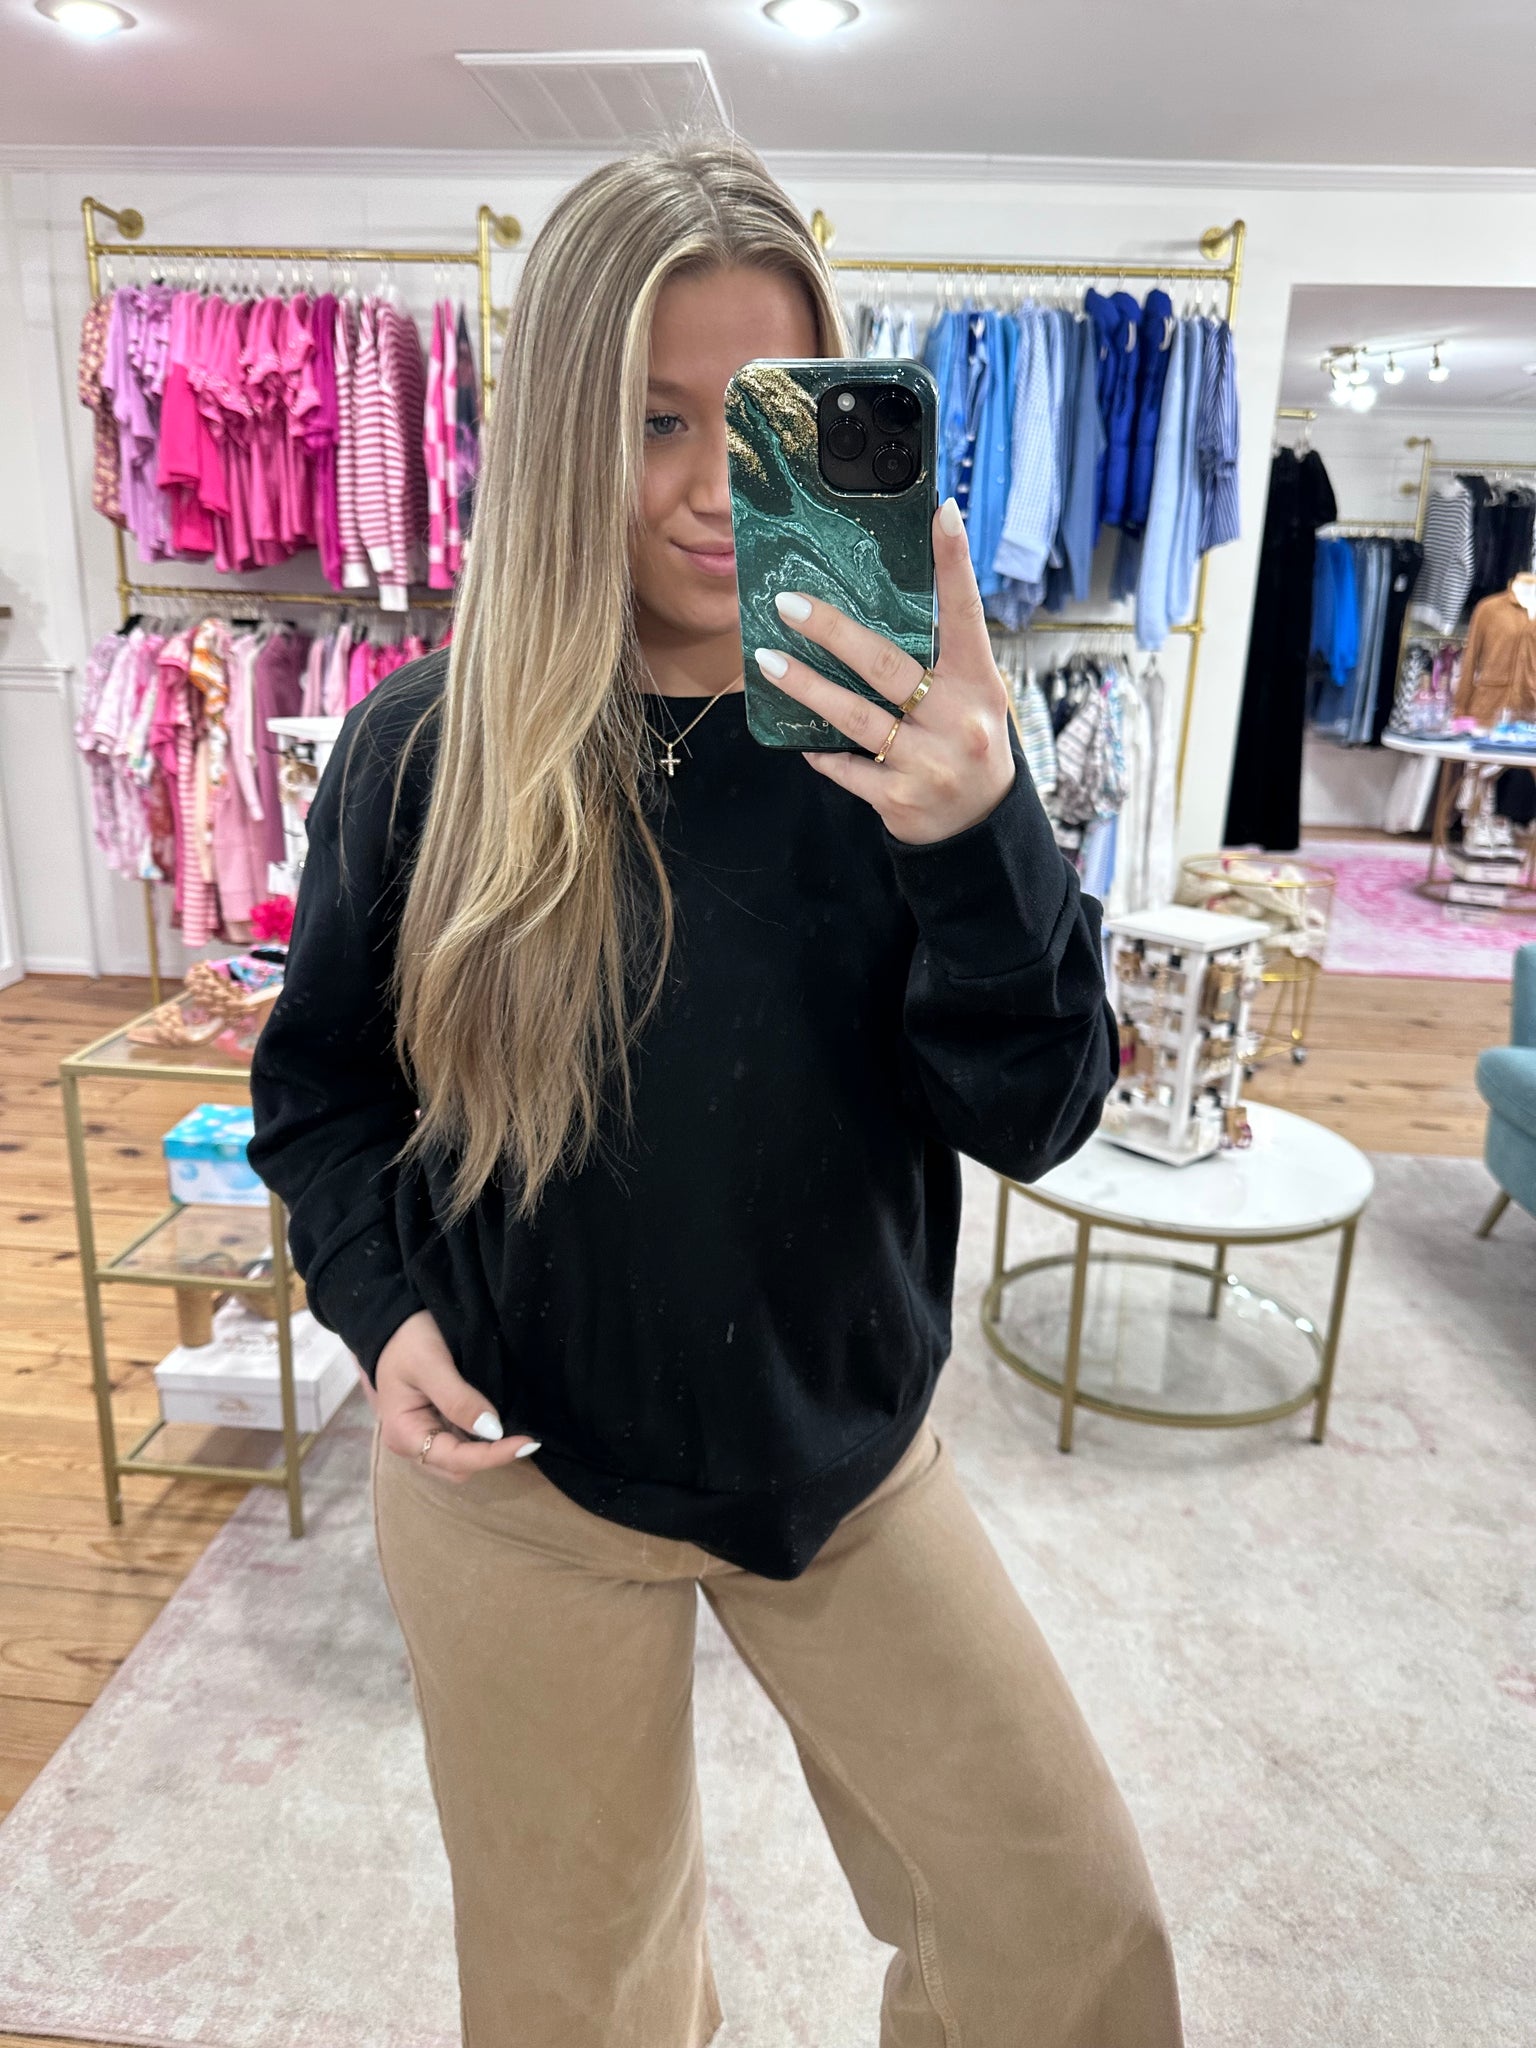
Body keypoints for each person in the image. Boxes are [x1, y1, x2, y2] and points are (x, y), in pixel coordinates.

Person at [248, 136, 1182, 2048]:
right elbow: (323, 1086)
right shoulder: (427, 749)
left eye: (754, 418)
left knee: (1067, 1939)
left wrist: (985, 833)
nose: (701, 489)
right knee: (575, 1997)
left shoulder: (909, 744)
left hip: (846, 1455)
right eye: (650, 418)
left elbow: (1042, 1113)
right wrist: (381, 1306)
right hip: (516, 1472)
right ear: (556, 427)